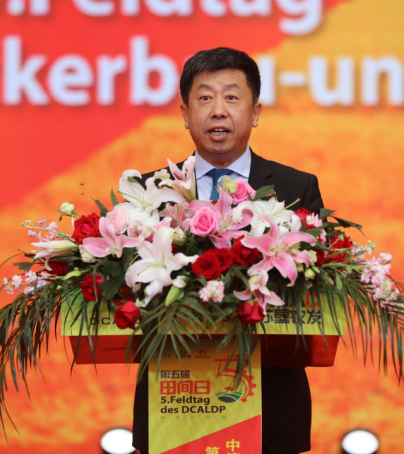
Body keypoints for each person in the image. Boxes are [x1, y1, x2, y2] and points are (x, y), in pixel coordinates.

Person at [132, 47, 324, 454]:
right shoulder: (151, 191)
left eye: (232, 97)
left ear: (255, 112)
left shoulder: (296, 188)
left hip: (271, 403)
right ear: (185, 114)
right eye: (205, 98)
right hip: (175, 398)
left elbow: (315, 286)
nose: (218, 110)